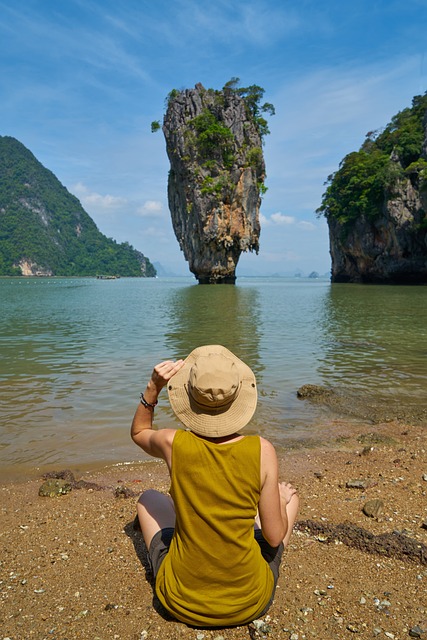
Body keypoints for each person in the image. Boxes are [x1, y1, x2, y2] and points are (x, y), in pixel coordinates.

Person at [131, 345, 299, 628]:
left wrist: (152, 388)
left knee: (148, 498)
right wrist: (280, 502)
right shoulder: (262, 450)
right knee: (290, 498)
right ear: (239, 397)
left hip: (180, 599)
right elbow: (273, 537)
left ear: (189, 396)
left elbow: (138, 432)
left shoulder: (173, 443)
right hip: (248, 601)